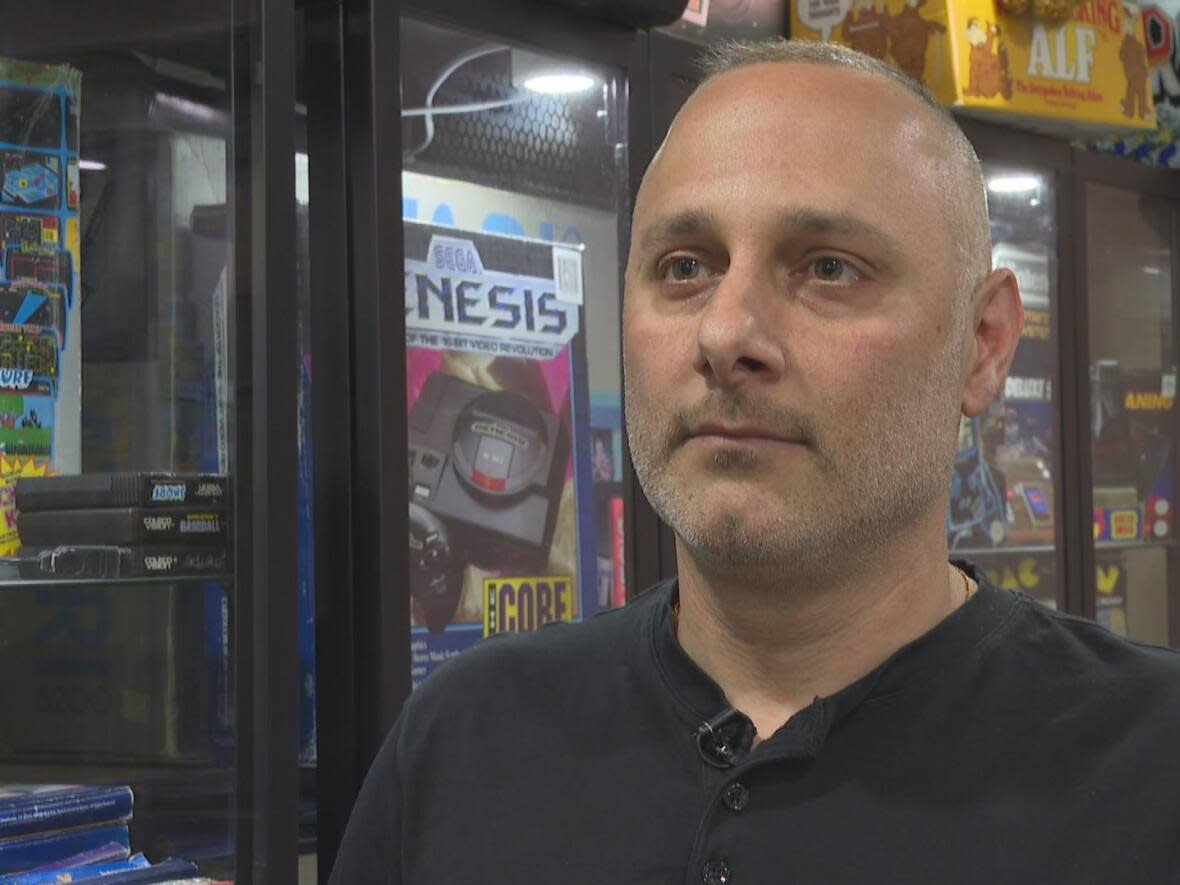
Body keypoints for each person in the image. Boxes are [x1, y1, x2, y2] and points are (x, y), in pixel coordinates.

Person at [329, 39, 1180, 884]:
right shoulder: (463, 743)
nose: (727, 333)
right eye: (685, 266)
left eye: (829, 268)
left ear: (984, 343)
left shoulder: (1148, 769)